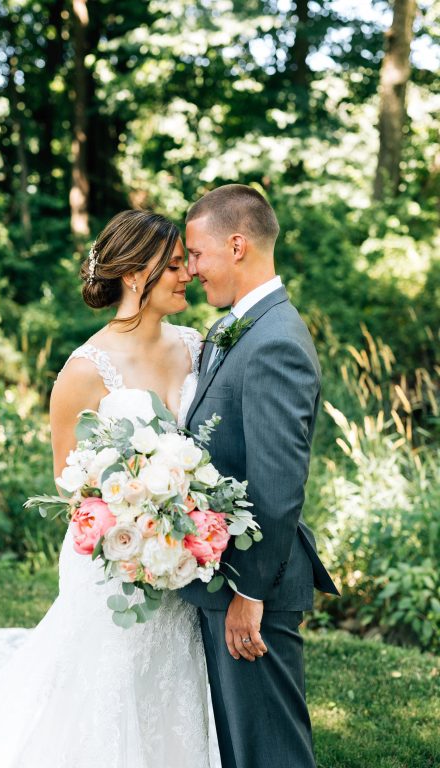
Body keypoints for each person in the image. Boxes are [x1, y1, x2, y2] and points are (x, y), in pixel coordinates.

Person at [0, 210, 214, 768]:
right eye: (176, 265)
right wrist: (137, 528)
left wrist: (185, 525)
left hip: (184, 566)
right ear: (136, 274)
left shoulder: (197, 347)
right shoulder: (84, 371)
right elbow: (70, 491)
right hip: (116, 567)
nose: (188, 275)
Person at [180, 183, 341, 768]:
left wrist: (249, 592)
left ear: (238, 245)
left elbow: (277, 488)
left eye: (197, 254)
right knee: (239, 748)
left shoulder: (275, 341)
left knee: (271, 753)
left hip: (254, 586)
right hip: (226, 578)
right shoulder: (240, 326)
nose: (191, 268)